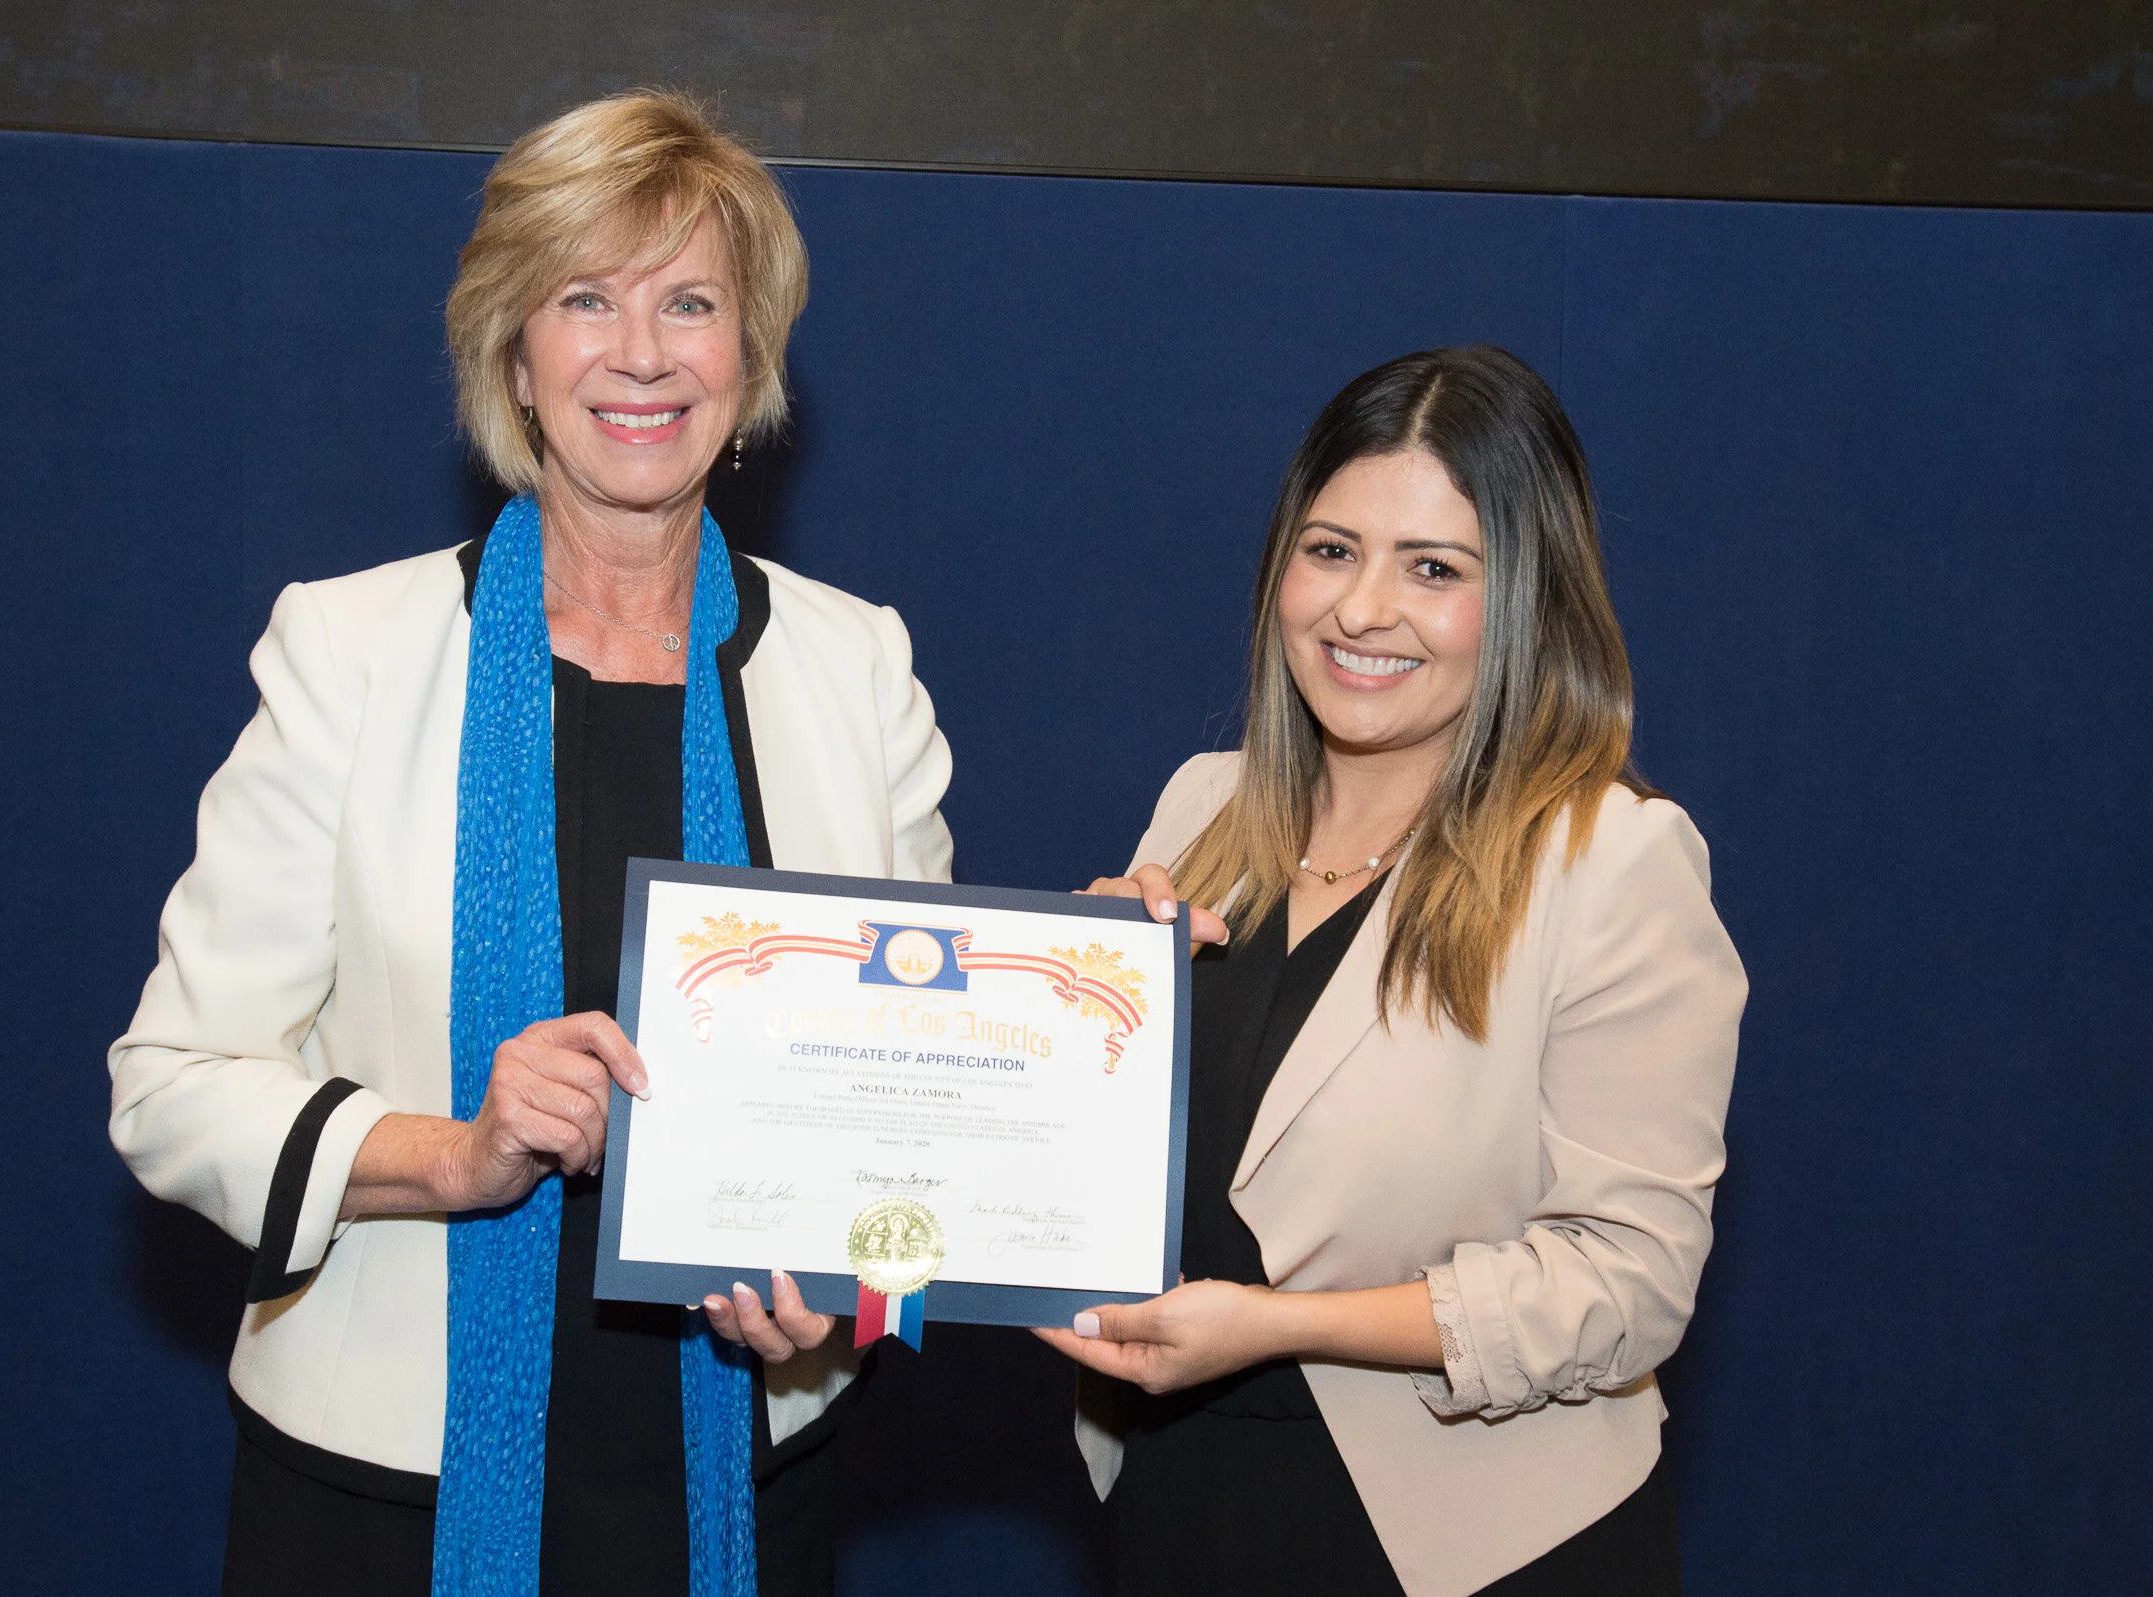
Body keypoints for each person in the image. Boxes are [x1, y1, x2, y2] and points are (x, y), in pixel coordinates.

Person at [108, 91, 952, 1597]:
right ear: (514, 353)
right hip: (383, 1495)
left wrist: (852, 1302)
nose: (642, 354)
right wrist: (462, 1153)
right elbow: (171, 1088)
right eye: (586, 300)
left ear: (750, 356)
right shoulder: (349, 654)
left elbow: (918, 1143)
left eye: (691, 304)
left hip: (743, 1479)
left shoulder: (856, 668)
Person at [1039, 346, 1746, 1597]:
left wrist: (1280, 1325)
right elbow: (1109, 1182)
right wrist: (1072, 1000)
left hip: (1478, 1548)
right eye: (1331, 550)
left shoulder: (1613, 860)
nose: (1363, 610)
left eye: (1434, 569)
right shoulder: (1201, 812)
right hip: (1184, 1507)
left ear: (1526, 600)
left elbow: (1628, 1282)